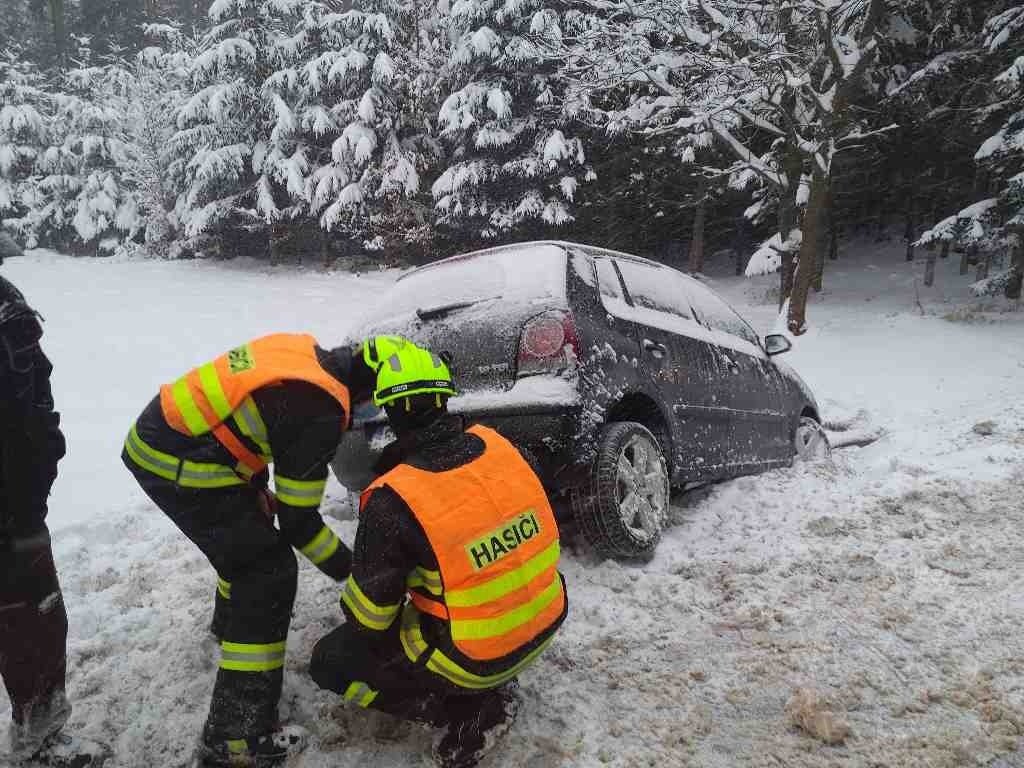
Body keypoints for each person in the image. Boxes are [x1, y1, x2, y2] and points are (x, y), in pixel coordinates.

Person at [309, 336, 568, 768]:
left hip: (477, 656)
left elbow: (372, 620)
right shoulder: (507, 450)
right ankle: (480, 681)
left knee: (330, 662)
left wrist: (363, 583)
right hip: (546, 619)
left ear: (388, 411)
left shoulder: (393, 499)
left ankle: (465, 713)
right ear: (445, 396)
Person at [121, 332, 376, 767]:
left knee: (249, 541)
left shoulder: (305, 355)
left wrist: (253, 485)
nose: (365, 422)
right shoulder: (322, 410)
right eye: (372, 411)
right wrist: (356, 572)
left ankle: (231, 625)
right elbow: (301, 525)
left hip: (171, 435)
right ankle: (235, 736)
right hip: (175, 459)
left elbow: (252, 418)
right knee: (267, 571)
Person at [1, 232, 111, 767]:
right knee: (33, 618)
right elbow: (30, 411)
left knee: (33, 621)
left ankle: (38, 733)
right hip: (10, 510)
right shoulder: (7, 314)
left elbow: (35, 405)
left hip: (18, 499)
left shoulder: (7, 307)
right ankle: (39, 745)